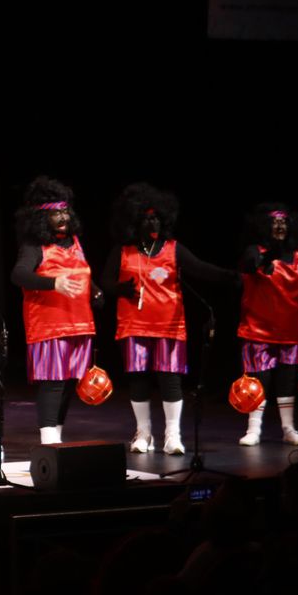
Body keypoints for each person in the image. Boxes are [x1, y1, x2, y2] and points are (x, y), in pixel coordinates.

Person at [103, 183, 237, 455]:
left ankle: (172, 436)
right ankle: (143, 434)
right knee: (139, 380)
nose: (152, 221)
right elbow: (105, 280)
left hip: (169, 326)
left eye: (156, 217)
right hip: (133, 325)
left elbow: (201, 269)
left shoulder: (173, 249)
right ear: (134, 221)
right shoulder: (123, 250)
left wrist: (232, 276)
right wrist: (118, 288)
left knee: (170, 380)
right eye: (146, 217)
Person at [10, 177, 102, 445]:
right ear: (41, 218)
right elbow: (19, 275)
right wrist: (53, 283)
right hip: (49, 327)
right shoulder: (34, 246)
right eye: (54, 213)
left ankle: (57, 442)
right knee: (53, 383)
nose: (62, 217)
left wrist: (94, 289)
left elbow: (81, 273)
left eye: (64, 211)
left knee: (69, 384)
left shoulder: (74, 242)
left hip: (79, 323)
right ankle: (48, 443)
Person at [237, 202, 298, 446]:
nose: (280, 226)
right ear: (265, 226)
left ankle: (289, 429)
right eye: (275, 222)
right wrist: (269, 256)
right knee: (260, 380)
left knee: (287, 381)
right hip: (260, 330)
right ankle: (253, 429)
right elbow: (247, 267)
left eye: (284, 222)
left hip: (291, 330)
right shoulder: (254, 251)